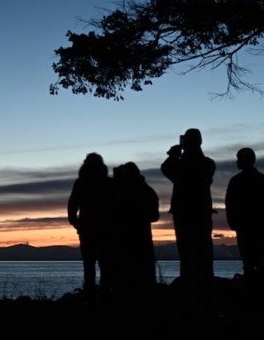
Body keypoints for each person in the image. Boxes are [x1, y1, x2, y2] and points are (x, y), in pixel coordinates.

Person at [161, 128, 216, 314]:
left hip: (185, 215)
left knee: (187, 256)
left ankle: (191, 297)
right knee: (204, 254)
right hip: (202, 214)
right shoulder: (208, 164)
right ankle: (206, 295)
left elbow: (166, 170)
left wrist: (173, 155)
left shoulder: (181, 165)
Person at [224, 147, 264, 302]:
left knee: (249, 261)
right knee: (258, 260)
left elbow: (230, 203)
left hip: (248, 226)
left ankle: (253, 295)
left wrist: (233, 222)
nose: (236, 162)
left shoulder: (237, 181)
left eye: (239, 159)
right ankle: (258, 293)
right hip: (256, 226)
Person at [67, 152, 117, 303]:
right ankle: (105, 296)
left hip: (89, 228)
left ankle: (91, 296)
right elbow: (116, 205)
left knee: (89, 264)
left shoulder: (81, 182)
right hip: (104, 229)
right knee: (105, 264)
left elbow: (72, 205)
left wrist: (76, 223)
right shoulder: (108, 182)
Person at [112, 161, 160, 304]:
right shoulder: (148, 191)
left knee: (128, 274)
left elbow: (113, 215)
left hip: (127, 240)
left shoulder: (123, 193)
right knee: (145, 275)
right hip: (142, 239)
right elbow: (155, 216)